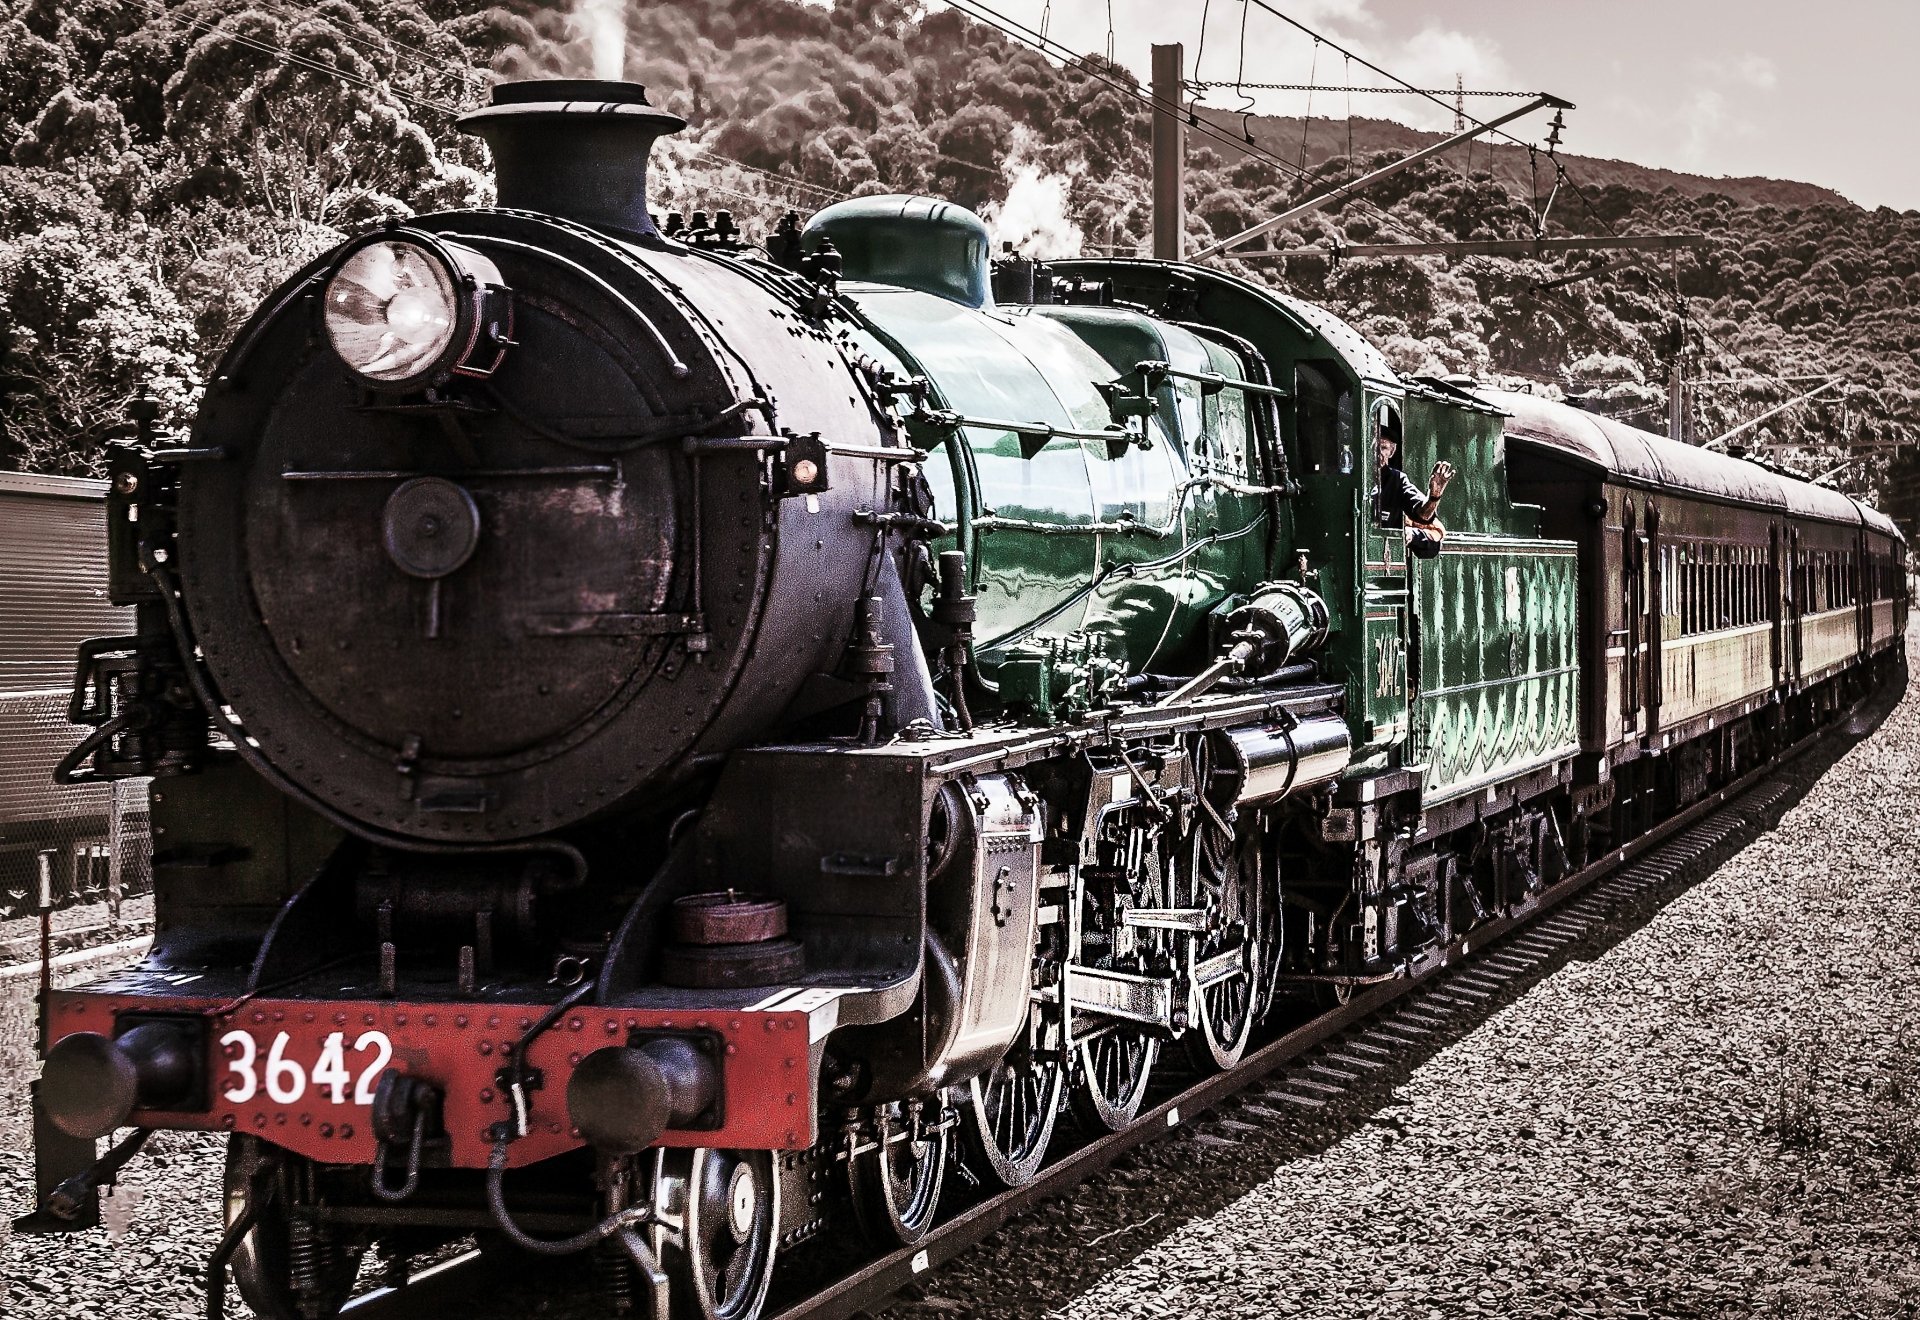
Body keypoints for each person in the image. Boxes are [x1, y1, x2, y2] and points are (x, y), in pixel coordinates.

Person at [1374, 414, 1454, 560]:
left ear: (1392, 452)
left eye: (1383, 447)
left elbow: (1424, 516)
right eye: (1373, 446)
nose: (1377, 453)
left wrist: (1434, 496)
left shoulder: (1396, 480)